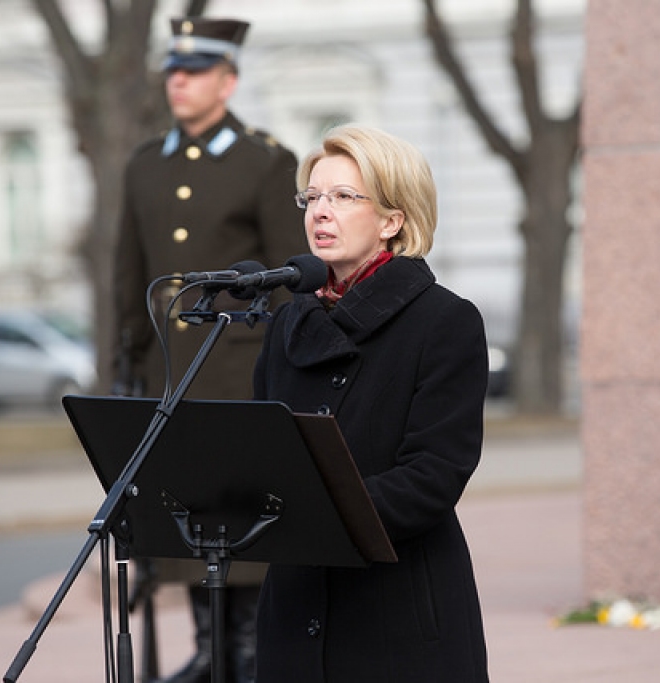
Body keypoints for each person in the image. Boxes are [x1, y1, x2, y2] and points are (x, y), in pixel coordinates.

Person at [252, 124, 491, 682]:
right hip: (294, 611)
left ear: (392, 220)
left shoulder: (444, 322)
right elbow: (267, 456)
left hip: (397, 615)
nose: (320, 212)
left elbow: (434, 473)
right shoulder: (288, 322)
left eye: (342, 196)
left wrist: (318, 511)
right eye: (311, 197)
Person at [112, 16, 308, 683]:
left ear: (228, 81)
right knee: (184, 516)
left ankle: (248, 650)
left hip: (239, 373)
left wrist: (288, 369)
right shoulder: (144, 165)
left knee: (241, 516)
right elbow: (129, 274)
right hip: (171, 376)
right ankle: (210, 644)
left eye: (193, 72)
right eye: (173, 71)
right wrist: (126, 367)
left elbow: (290, 277)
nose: (179, 82)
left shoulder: (266, 160)